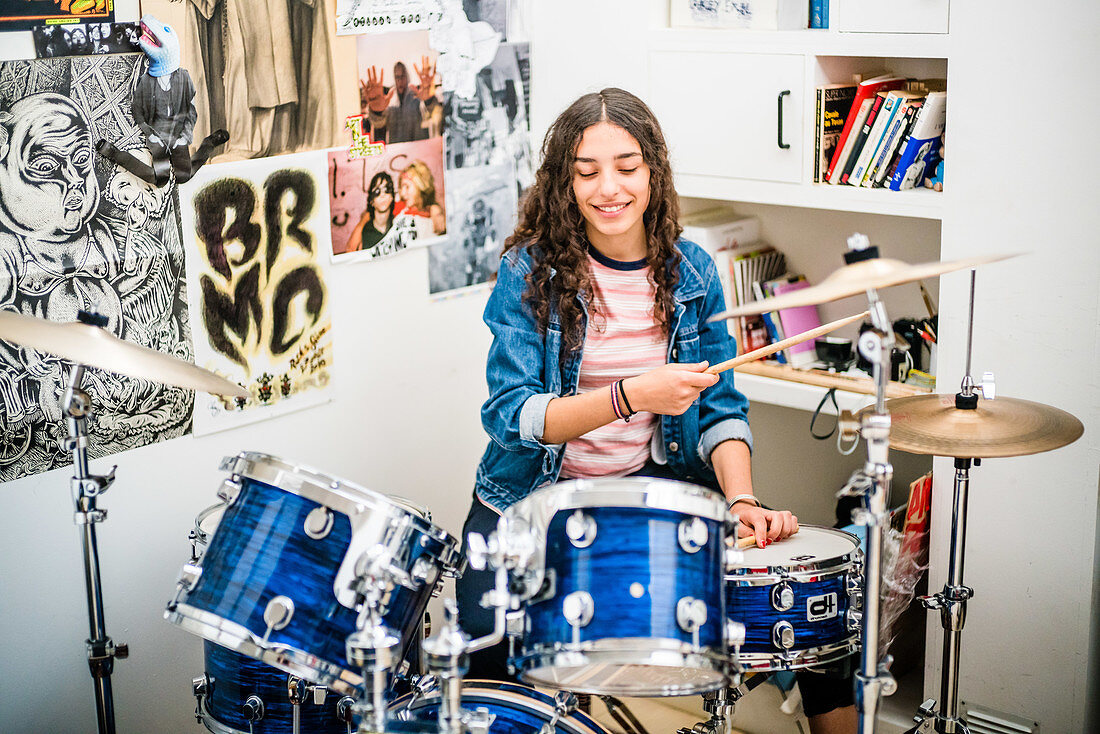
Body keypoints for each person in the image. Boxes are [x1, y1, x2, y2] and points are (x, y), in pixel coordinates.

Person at [453, 88, 857, 734]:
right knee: (485, 670)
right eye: (586, 172)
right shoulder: (527, 272)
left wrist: (744, 502)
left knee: (812, 609)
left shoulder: (691, 272)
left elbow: (722, 404)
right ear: (563, 183)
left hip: (650, 496)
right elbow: (512, 415)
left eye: (627, 167)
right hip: (530, 500)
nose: (608, 187)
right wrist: (630, 396)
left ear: (654, 172)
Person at [362, 59, 442, 144]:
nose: (400, 80)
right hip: (397, 154)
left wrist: (429, 101)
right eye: (397, 77)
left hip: (418, 152)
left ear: (407, 76)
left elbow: (431, 116)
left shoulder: (417, 96)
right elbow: (379, 124)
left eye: (402, 76)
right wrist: (377, 112)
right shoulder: (389, 100)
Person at [347, 172, 396, 253]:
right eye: (377, 192)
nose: (382, 195)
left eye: (387, 190)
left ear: (392, 197)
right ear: (371, 201)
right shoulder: (364, 232)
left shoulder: (398, 225)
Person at [394, 160, 446, 236]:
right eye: (401, 188)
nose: (402, 193)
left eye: (407, 187)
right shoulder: (399, 208)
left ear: (420, 186)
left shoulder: (433, 213)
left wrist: (436, 209)